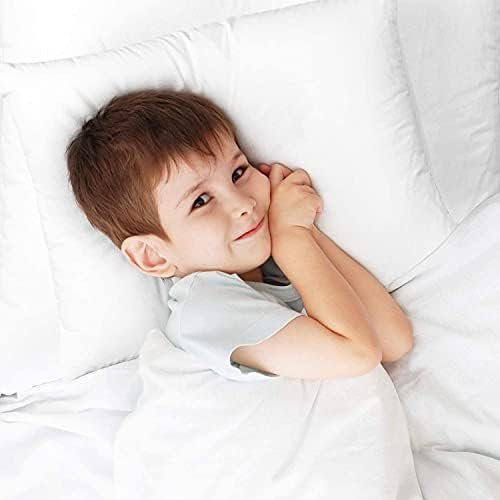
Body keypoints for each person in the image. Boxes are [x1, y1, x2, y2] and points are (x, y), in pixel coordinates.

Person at [66, 89, 413, 382]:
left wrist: (301, 231)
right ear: (152, 256)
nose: (243, 204)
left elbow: (393, 340)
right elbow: (358, 353)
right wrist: (291, 235)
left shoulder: (276, 269)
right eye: (200, 201)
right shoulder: (203, 310)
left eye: (238, 172)